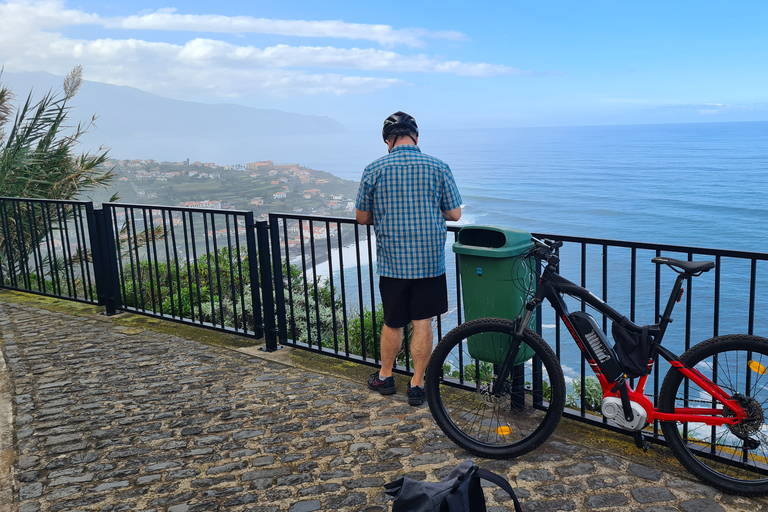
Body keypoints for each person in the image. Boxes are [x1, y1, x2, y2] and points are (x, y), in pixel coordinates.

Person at [355, 111, 462, 406]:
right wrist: (428, 207)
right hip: (429, 261)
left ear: (388, 140)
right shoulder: (438, 167)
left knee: (393, 323)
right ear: (415, 136)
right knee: (422, 322)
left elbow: (362, 217)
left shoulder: (374, 169)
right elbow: (454, 214)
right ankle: (417, 385)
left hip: (392, 262)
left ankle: (386, 377)